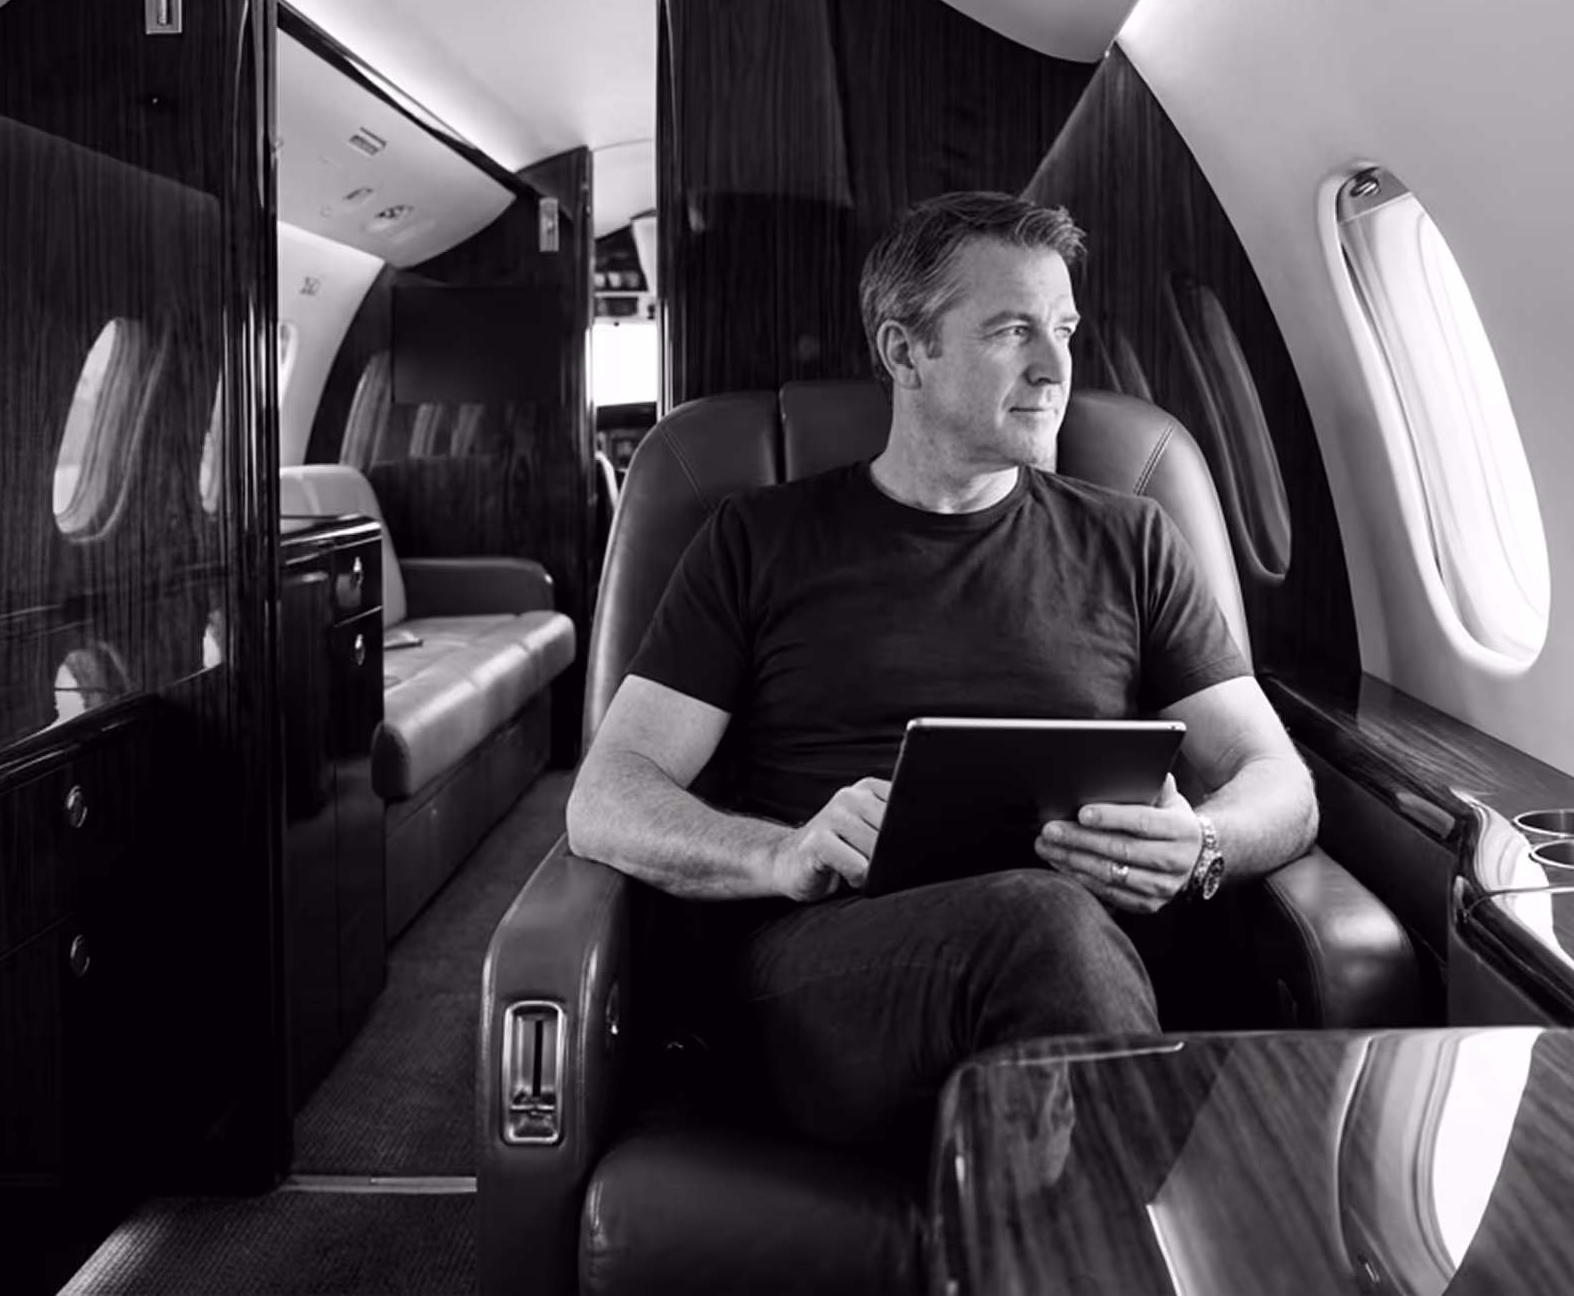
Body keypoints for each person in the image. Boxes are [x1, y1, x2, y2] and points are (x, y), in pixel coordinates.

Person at [564, 191, 1317, 1149]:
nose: (1055, 368)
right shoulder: (756, 542)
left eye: (1064, 329)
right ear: (903, 351)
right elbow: (607, 796)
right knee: (1043, 925)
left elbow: (1282, 785)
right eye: (1012, 331)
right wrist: (777, 853)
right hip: (825, 977)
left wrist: (1202, 843)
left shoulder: (1133, 540)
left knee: (1054, 936)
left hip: (1084, 974)